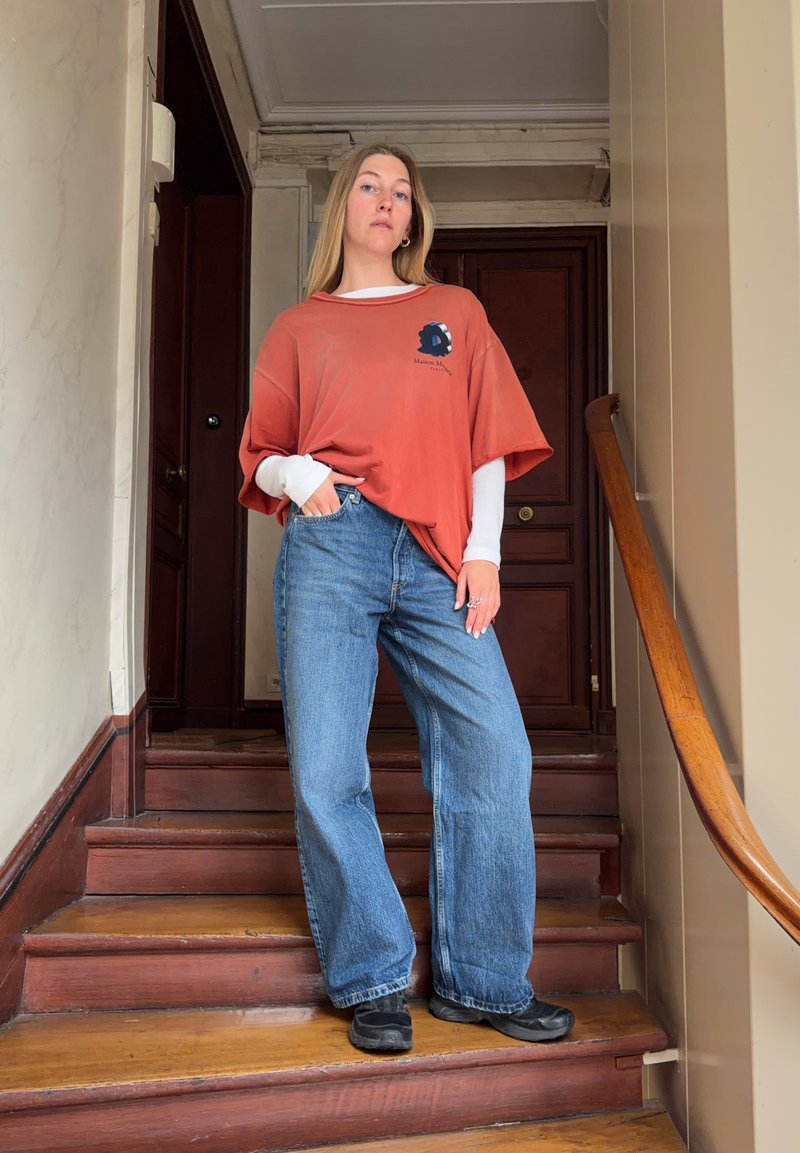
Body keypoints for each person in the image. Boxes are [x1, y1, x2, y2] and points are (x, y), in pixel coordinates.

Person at [238, 143, 575, 1053]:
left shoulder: (453, 312)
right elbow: (257, 452)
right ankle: (374, 974)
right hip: (330, 546)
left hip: (436, 554)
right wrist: (298, 471)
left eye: (402, 191)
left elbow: (488, 441)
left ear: (414, 215)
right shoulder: (299, 328)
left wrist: (487, 551)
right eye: (368, 187)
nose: (386, 201)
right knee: (326, 768)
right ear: (342, 206)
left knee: (494, 750)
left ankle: (485, 980)